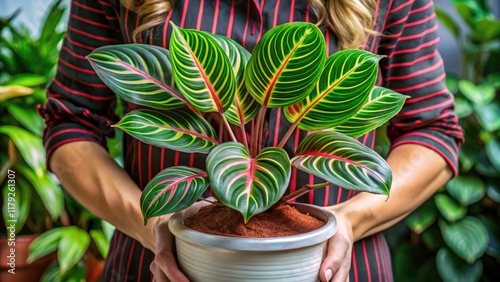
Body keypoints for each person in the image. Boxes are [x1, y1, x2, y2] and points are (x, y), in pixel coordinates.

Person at [39, 0, 464, 281]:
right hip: (159, 266)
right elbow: (71, 121)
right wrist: (153, 226)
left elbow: (432, 130)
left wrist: (349, 220)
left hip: (330, 269)